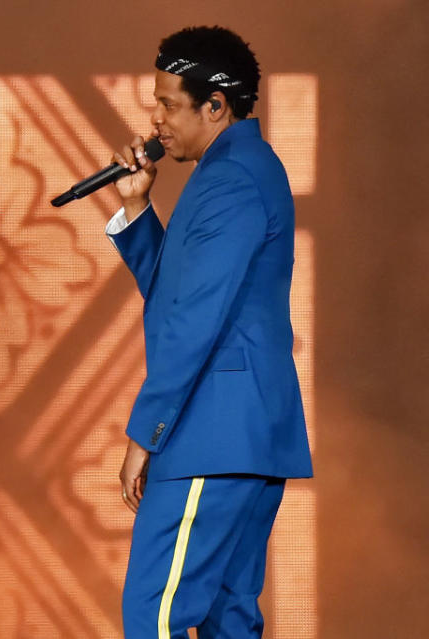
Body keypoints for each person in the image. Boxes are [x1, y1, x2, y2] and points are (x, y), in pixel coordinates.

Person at [106, 26, 313, 638]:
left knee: (156, 617)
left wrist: (146, 433)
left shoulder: (230, 178)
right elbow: (182, 296)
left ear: (215, 105)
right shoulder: (237, 169)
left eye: (170, 104)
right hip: (243, 440)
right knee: (229, 620)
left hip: (213, 435)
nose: (157, 120)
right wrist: (137, 207)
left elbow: (193, 322)